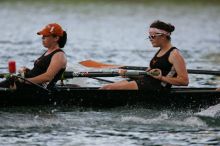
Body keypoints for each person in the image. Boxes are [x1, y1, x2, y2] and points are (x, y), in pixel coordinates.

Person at [100, 20, 189, 90]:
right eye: (149, 37)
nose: (150, 39)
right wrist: (128, 74)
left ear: (163, 36)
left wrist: (161, 77)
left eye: (152, 36)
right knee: (105, 87)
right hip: (147, 82)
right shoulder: (160, 51)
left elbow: (184, 81)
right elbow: (147, 74)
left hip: (157, 88)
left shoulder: (175, 54)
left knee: (108, 88)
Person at [0, 23, 67, 90]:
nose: (42, 38)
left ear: (56, 38)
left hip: (39, 90)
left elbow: (48, 77)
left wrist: (25, 81)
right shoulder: (49, 52)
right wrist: (28, 71)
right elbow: (41, 71)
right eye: (42, 36)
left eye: (45, 36)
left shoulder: (59, 56)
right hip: (29, 84)